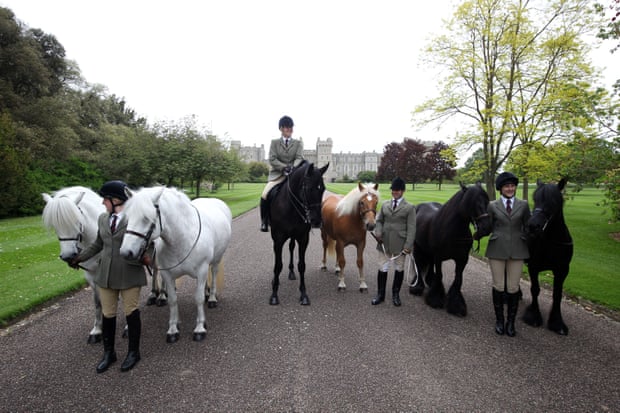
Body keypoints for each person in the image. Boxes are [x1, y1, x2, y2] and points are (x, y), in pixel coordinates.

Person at [69, 180, 151, 373]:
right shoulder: (103, 219)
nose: (102, 203)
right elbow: (98, 243)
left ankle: (133, 352)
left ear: (116, 200)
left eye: (105, 199)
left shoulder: (135, 218)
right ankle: (109, 353)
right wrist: (79, 257)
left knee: (131, 312)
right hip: (105, 274)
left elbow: (148, 240)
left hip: (129, 272)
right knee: (108, 314)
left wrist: (147, 256)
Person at [485, 172, 531, 337]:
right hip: (497, 249)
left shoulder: (524, 205)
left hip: (518, 250)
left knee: (513, 287)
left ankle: (510, 323)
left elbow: (528, 226)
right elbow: (487, 226)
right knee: (498, 285)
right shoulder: (492, 206)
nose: (510, 189)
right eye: (506, 186)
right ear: (500, 189)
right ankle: (499, 320)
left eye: (512, 186)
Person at [371, 177, 416, 306]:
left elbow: (412, 228)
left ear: (402, 191)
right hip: (384, 243)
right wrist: (378, 232)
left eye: (397, 190)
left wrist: (408, 246)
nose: (395, 192)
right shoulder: (385, 204)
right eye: (393, 190)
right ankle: (380, 295)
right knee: (382, 268)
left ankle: (396, 295)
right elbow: (379, 221)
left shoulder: (409, 207)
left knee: (399, 269)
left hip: (400, 244)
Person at [259, 115, 304, 232]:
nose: (289, 130)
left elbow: (299, 157)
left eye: (291, 127)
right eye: (287, 127)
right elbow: (272, 159)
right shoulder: (274, 143)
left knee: (307, 192)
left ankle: (308, 219)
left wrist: (293, 168)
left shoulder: (298, 143)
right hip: (277, 175)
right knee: (264, 194)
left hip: (294, 174)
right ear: (281, 129)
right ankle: (264, 221)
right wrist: (284, 167)